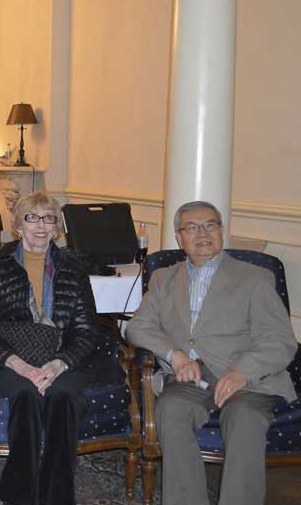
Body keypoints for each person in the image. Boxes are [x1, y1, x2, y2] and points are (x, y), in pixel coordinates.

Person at [125, 200, 296, 505]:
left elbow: (280, 340)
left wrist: (242, 372)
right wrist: (175, 355)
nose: (202, 233)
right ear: (179, 238)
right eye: (191, 227)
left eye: (210, 225)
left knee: (244, 418)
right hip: (190, 377)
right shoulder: (164, 278)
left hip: (246, 379)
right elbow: (137, 327)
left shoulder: (255, 278)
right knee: (171, 408)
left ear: (221, 231)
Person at [0, 192, 121, 505]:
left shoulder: (72, 266)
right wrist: (19, 365)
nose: (40, 225)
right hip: (8, 357)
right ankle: (19, 497)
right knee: (26, 395)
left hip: (65, 356)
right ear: (18, 225)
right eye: (32, 217)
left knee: (62, 396)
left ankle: (56, 497)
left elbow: (87, 329)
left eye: (48, 218)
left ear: (57, 227)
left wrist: (58, 364)